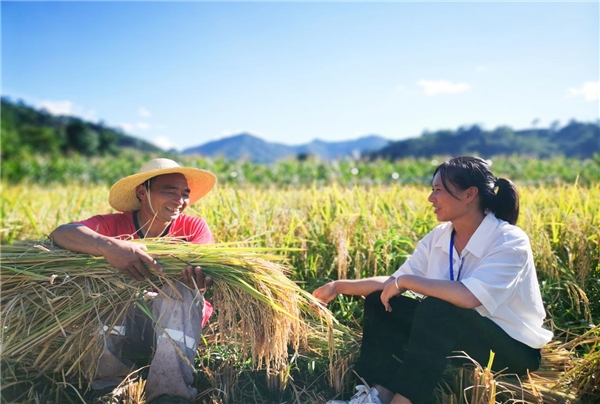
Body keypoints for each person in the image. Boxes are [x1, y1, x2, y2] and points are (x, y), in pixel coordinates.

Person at [313, 156, 553, 404]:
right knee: (379, 301)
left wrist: (405, 282)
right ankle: (376, 396)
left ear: (469, 194)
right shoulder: (440, 236)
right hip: (458, 337)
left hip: (510, 350)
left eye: (438, 190)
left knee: (438, 307)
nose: (431, 198)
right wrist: (339, 286)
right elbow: (394, 281)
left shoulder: (508, 239)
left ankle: (403, 401)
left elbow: (468, 297)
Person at [50, 158, 217, 404]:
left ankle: (170, 393)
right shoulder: (114, 225)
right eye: (168, 191)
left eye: (184, 193)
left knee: (183, 293)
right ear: (142, 192)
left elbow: (205, 276)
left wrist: (199, 284)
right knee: (109, 287)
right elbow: (61, 233)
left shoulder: (193, 228)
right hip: (125, 327)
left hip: (175, 327)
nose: (179, 201)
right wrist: (108, 246)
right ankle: (109, 388)